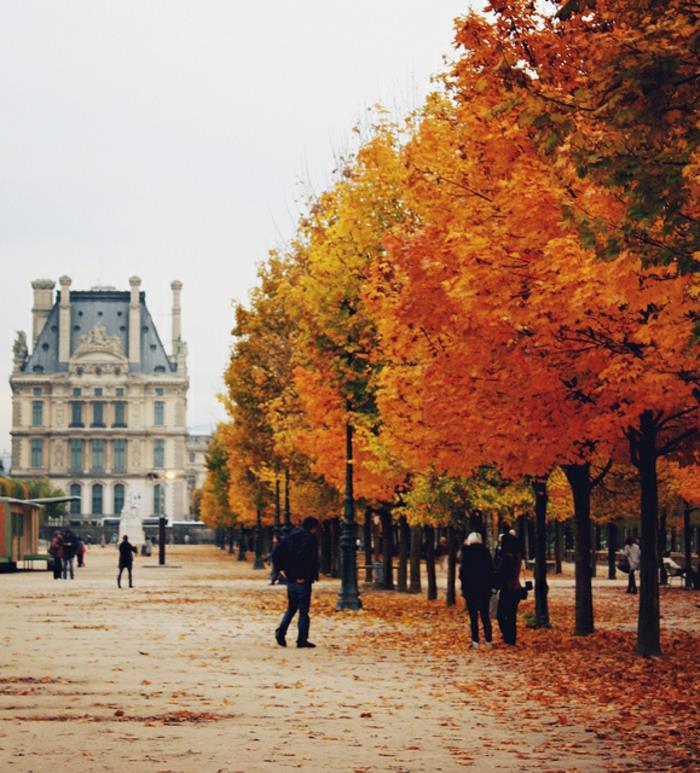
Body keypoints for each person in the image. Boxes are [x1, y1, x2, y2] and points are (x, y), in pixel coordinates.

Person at [272, 517, 320, 648]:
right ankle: (301, 639)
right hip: (302, 579)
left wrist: (282, 570)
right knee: (303, 610)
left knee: (291, 608)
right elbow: (305, 558)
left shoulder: (290, 536)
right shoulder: (309, 539)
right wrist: (302, 575)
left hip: (291, 578)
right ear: (312, 527)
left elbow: (277, 553)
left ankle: (281, 631)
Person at [459, 531, 495, 649]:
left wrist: (464, 586)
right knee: (485, 615)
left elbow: (462, 572)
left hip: (470, 589)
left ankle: (475, 641)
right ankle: (488, 640)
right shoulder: (485, 553)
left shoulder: (466, 553)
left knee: (473, 616)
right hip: (484, 588)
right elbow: (491, 571)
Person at [495, 533, 522, 645]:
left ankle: (508, 636)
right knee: (511, 614)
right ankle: (511, 637)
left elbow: (501, 572)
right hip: (516, 588)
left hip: (507, 588)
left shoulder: (506, 557)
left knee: (501, 614)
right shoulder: (517, 556)